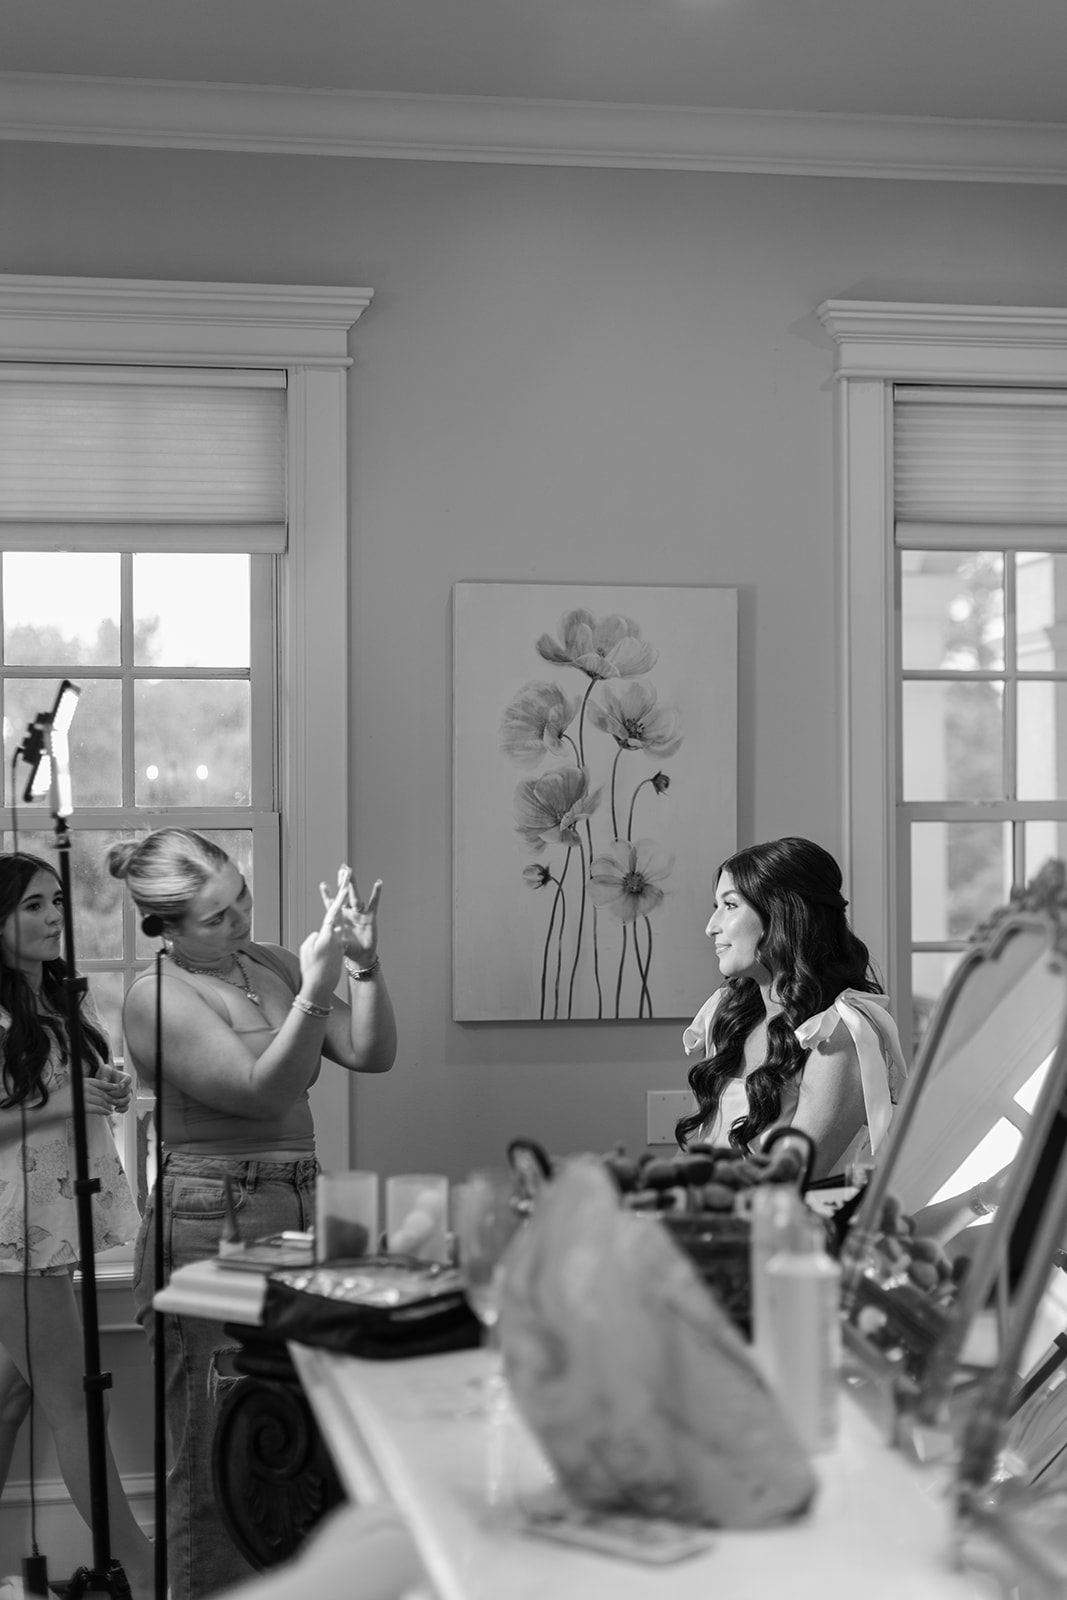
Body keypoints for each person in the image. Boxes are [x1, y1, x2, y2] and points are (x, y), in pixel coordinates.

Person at [107, 828, 398, 1600]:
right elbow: (265, 1089)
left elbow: (369, 1053)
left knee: (290, 1438)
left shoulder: (266, 961)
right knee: (215, 1447)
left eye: (241, 897)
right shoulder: (157, 998)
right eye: (216, 916)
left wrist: (362, 966)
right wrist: (312, 988)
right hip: (211, 1212)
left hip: (300, 1197)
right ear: (164, 928)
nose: (240, 919)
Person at [0, 852, 154, 1598]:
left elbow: (70, 1089)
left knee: (13, 1394)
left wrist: (109, 1089)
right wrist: (65, 1104)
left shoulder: (62, 996)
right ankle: (148, 1571)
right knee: (72, 1406)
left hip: (51, 1218)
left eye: (56, 900)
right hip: (12, 1233)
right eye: (32, 904)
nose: (53, 915)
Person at [676, 836, 908, 1182]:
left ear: (782, 913)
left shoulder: (838, 1035)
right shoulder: (729, 1013)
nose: (712, 927)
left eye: (730, 905)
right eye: (716, 907)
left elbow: (784, 1186)